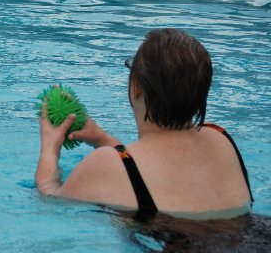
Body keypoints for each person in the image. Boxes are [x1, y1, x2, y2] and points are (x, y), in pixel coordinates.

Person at [36, 28, 253, 220]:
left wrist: (49, 150)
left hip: (174, 250)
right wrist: (102, 139)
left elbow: (52, 199)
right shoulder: (221, 137)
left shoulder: (104, 162)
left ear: (137, 86)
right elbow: (150, 171)